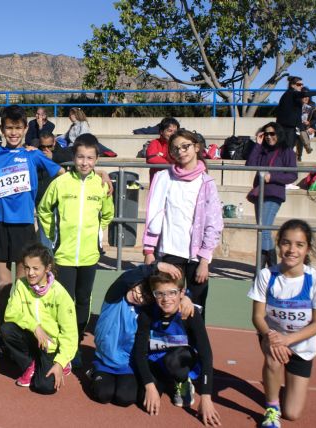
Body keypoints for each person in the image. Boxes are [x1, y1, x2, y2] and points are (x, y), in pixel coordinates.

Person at [0, 105, 64, 325]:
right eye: (8, 128)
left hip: (24, 225)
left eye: (17, 128)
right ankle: (3, 327)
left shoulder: (32, 156)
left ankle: (22, 325)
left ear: (25, 129)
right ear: (2, 130)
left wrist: (99, 173)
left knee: (23, 282)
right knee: (4, 284)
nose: (13, 133)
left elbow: (61, 171)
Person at [248, 219, 316, 428]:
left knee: (293, 413)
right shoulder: (267, 275)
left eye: (299, 244)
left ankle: (280, 386)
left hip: (301, 345)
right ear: (279, 245)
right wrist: (273, 338)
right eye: (286, 243)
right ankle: (271, 408)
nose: (292, 250)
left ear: (307, 248)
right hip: (272, 337)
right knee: (273, 357)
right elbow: (257, 317)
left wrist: (288, 340)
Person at [38, 133, 114, 366]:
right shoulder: (60, 183)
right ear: (74, 157)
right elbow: (44, 209)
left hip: (89, 256)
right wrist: (53, 237)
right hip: (64, 255)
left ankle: (76, 345)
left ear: (96, 159)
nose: (84, 162)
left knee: (83, 301)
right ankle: (62, 344)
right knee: (64, 302)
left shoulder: (101, 185)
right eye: (80, 157)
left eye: (90, 158)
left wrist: (99, 236)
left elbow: (108, 213)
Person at [143, 130, 223, 316]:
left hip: (196, 258)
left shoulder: (206, 182)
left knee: (195, 308)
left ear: (196, 147)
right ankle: (168, 344)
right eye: (175, 148)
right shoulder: (164, 178)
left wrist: (204, 260)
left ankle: (194, 345)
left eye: (185, 146)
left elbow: (213, 223)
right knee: (167, 306)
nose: (181, 151)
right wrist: (148, 251)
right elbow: (153, 216)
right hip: (170, 253)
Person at [91, 261, 187, 407]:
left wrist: (186, 298)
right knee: (103, 394)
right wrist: (157, 266)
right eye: (140, 290)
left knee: (125, 398)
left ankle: (175, 382)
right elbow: (127, 277)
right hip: (105, 361)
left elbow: (169, 295)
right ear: (136, 283)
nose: (140, 297)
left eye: (146, 298)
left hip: (128, 363)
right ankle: (94, 371)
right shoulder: (114, 297)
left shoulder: (144, 313)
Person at [133, 270, 221, 426]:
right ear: (154, 295)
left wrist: (206, 397)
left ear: (181, 293)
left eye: (172, 293)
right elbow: (139, 353)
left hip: (180, 360)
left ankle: (183, 381)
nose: (166, 299)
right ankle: (167, 384)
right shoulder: (147, 314)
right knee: (143, 400)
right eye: (160, 294)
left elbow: (206, 355)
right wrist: (150, 386)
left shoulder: (190, 314)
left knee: (173, 360)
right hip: (157, 363)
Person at [0, 243, 77, 394]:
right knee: (6, 329)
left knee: (45, 387)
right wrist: (35, 326)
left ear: (47, 268)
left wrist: (60, 363)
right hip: (32, 336)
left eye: (36, 268)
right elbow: (10, 313)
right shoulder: (21, 285)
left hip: (50, 345)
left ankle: (63, 363)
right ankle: (31, 364)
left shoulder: (59, 294)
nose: (30, 273)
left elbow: (70, 335)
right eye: (27, 267)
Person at [246, 123, 297, 268]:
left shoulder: (287, 152)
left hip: (274, 194)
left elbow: (292, 175)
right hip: (260, 193)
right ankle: (270, 267)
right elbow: (249, 165)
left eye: (272, 134)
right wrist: (257, 144)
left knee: (264, 230)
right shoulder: (262, 150)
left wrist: (272, 176)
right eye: (266, 134)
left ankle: (265, 267)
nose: (269, 137)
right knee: (261, 230)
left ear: (279, 134)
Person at [34, 132, 72, 250]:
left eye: (49, 146)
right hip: (41, 201)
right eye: (42, 147)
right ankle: (48, 265)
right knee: (45, 239)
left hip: (59, 200)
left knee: (60, 237)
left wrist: (53, 157)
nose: (46, 149)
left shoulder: (62, 152)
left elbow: (71, 155)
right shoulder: (36, 154)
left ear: (54, 142)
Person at [275, 76, 316, 150]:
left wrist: (304, 126)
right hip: (287, 128)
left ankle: (299, 154)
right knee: (286, 150)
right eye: (299, 84)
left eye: (302, 84)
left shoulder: (291, 96)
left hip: (291, 127)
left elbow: (296, 113)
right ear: (292, 85)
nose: (301, 86)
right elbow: (304, 94)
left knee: (289, 149)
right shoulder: (291, 93)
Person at [146, 117, 180, 182]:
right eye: (169, 131)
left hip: (175, 181)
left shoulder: (180, 144)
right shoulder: (155, 143)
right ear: (161, 132)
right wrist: (171, 164)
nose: (173, 134)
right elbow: (151, 159)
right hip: (158, 183)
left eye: (175, 131)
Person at [296, 88, 316, 162]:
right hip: (296, 127)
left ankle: (298, 157)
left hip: (307, 128)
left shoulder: (312, 106)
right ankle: (307, 147)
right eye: (304, 96)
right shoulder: (295, 105)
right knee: (299, 132)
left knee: (301, 133)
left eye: (307, 96)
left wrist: (310, 124)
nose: (306, 98)